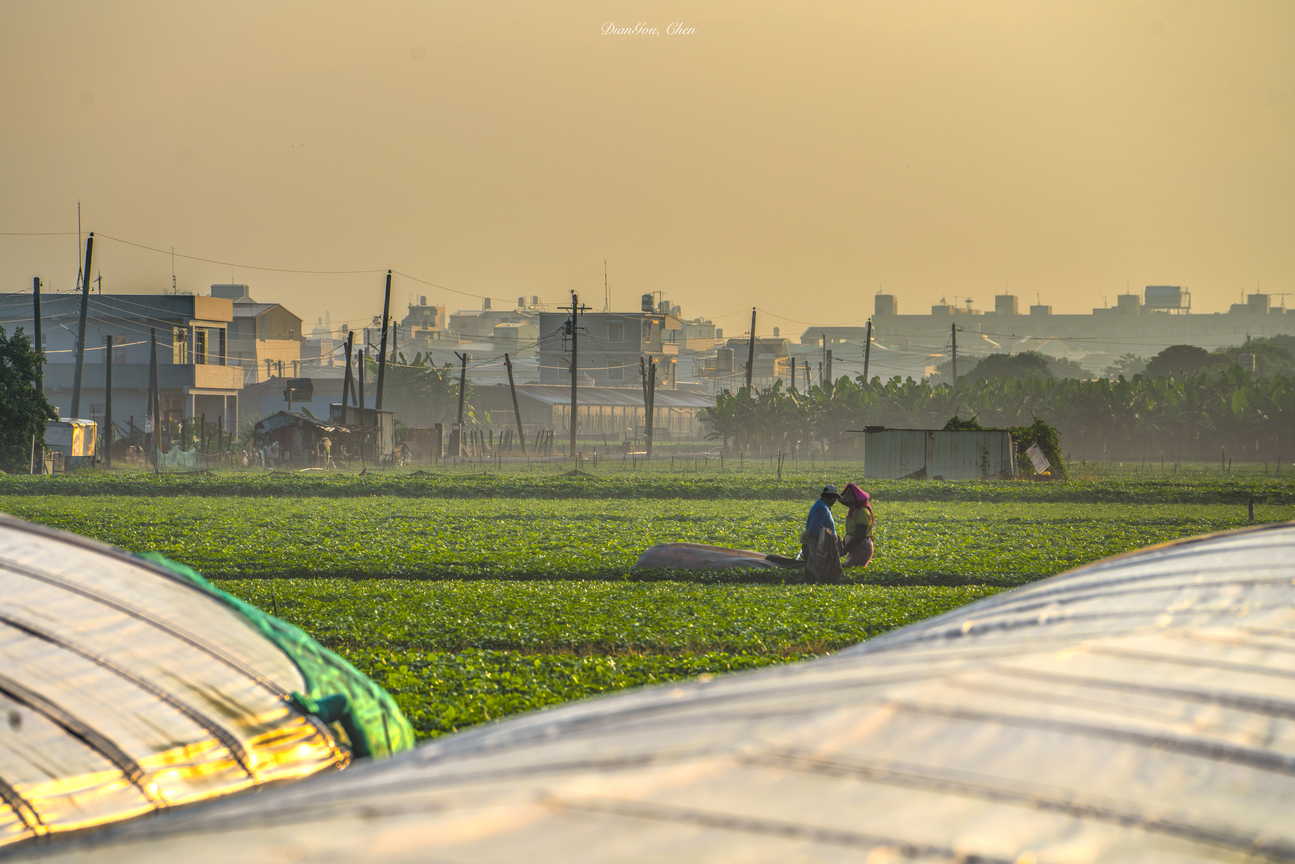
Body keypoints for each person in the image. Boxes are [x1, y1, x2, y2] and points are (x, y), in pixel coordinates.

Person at [801, 484, 843, 582]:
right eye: (835, 499)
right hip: (817, 547)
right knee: (819, 574)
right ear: (832, 498)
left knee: (814, 574)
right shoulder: (822, 509)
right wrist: (826, 544)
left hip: (816, 545)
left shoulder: (819, 505)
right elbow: (814, 529)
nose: (835, 502)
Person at [839, 483, 875, 569]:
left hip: (861, 546)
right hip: (854, 546)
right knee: (848, 568)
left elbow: (860, 535)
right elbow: (850, 532)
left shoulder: (863, 511)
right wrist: (843, 546)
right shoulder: (853, 511)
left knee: (853, 569)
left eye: (852, 502)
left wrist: (845, 549)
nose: (850, 505)